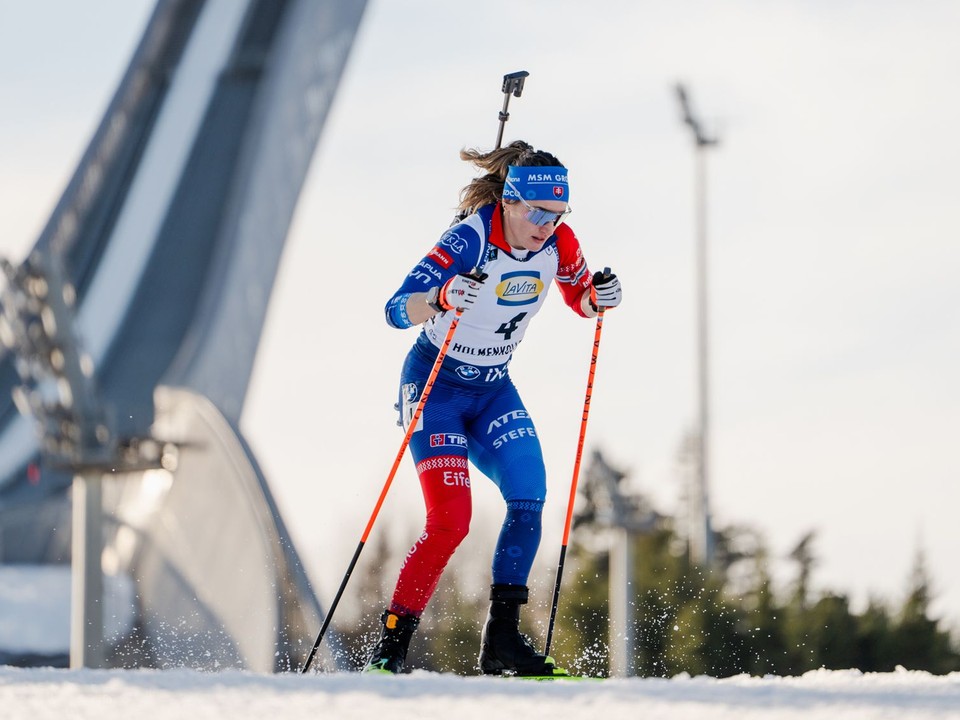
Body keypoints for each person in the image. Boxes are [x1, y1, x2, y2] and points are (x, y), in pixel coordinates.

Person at [364, 140, 622, 676]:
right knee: (450, 521)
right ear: (509, 201)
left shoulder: (560, 242)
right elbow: (394, 310)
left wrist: (598, 298)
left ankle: (501, 640)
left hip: (492, 389)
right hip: (434, 386)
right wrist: (440, 297)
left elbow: (579, 296)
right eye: (537, 213)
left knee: (530, 495)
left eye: (557, 215)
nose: (547, 226)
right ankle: (390, 649)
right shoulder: (469, 238)